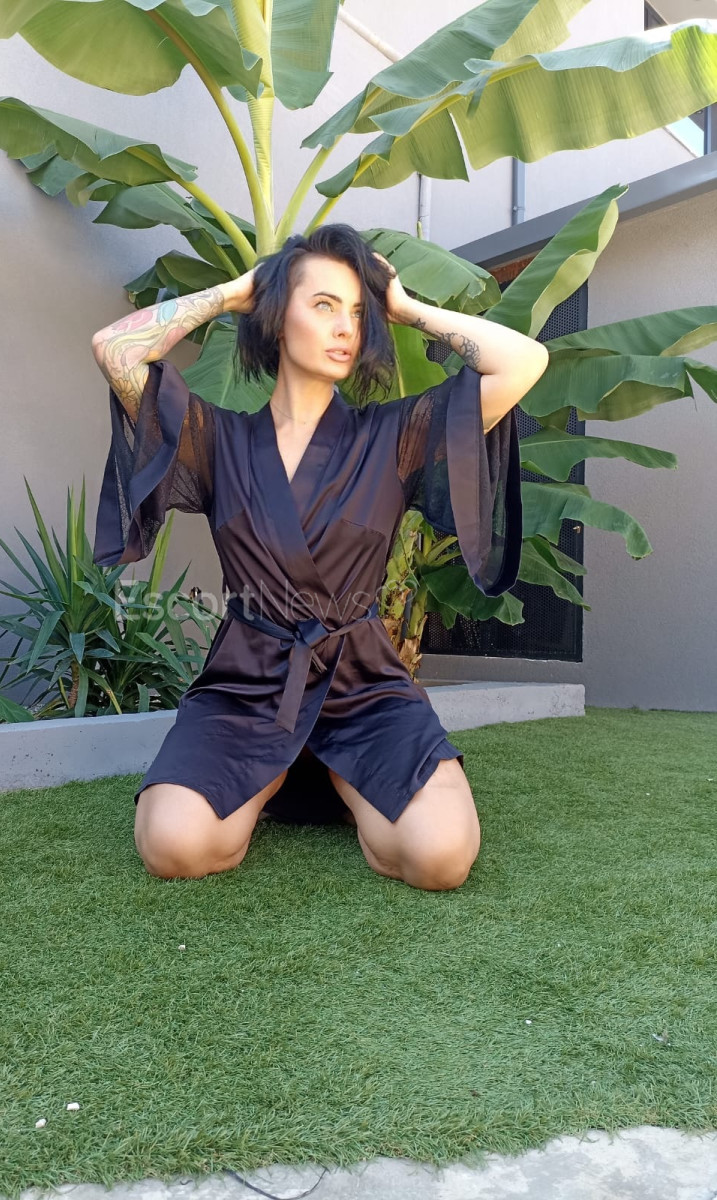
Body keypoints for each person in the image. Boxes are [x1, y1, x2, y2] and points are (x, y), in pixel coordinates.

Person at [91, 224, 548, 889]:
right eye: (324, 305)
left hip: (364, 686)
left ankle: (345, 783)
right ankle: (284, 780)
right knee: (174, 848)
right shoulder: (215, 439)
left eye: (357, 312)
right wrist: (236, 293)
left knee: (440, 859)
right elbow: (114, 348)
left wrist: (403, 307)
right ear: (278, 318)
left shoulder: (395, 436)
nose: (346, 328)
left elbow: (523, 361)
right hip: (247, 686)